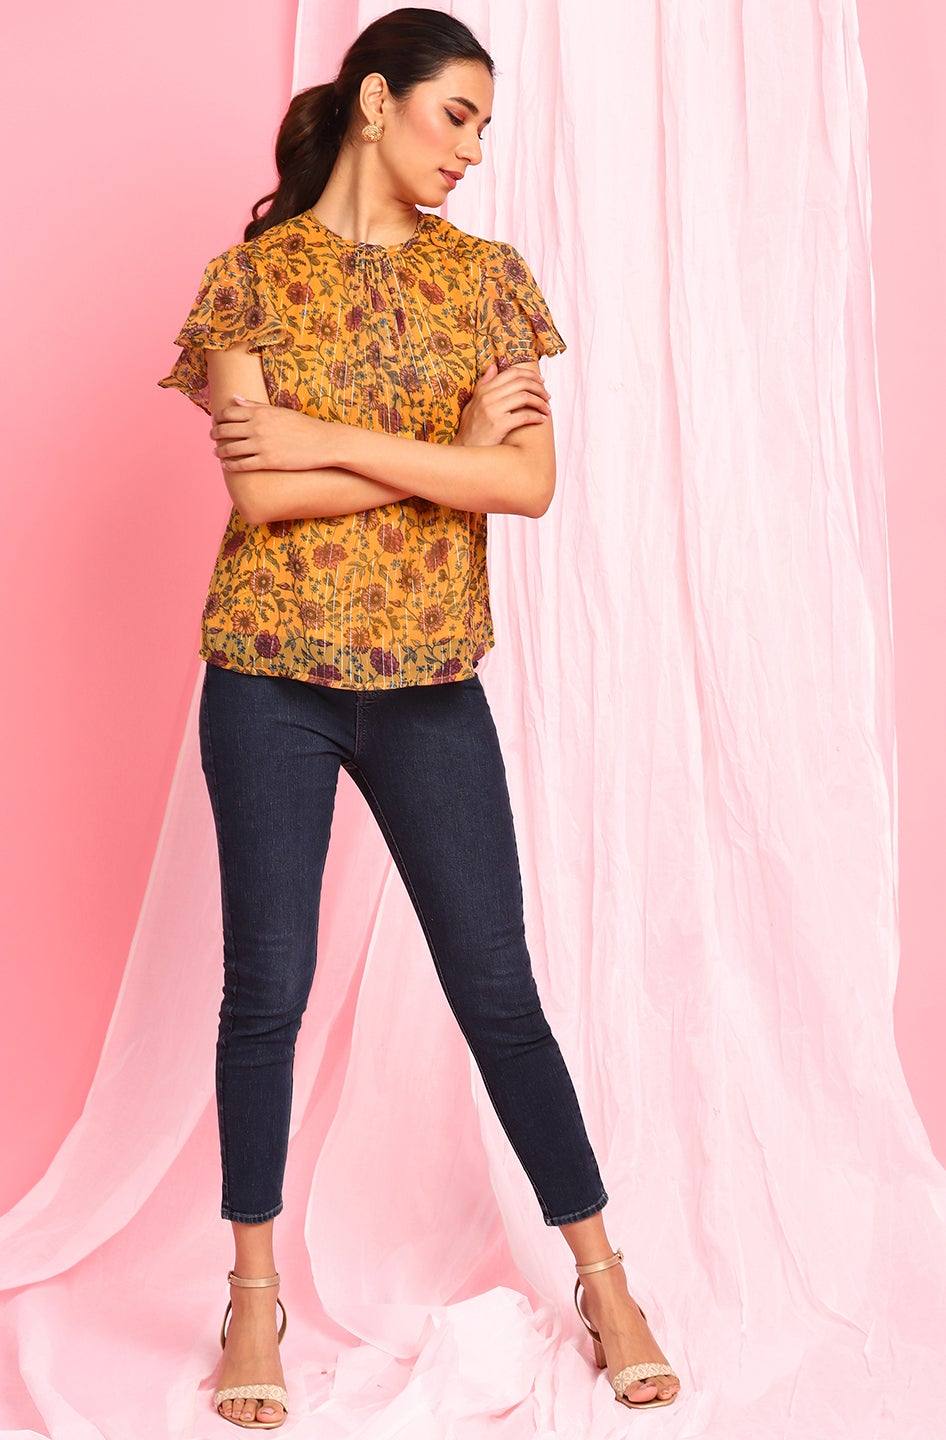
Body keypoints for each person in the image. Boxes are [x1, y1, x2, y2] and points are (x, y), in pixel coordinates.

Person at [157, 7, 679, 1428]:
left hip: (428, 683)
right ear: (376, 100)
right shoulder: (248, 284)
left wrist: (336, 440)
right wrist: (443, 453)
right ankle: (251, 1297)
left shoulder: (486, 283)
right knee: (265, 992)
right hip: (267, 674)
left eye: (486, 128)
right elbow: (259, 496)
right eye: (457, 115)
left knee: (497, 991)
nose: (472, 151)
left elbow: (524, 484)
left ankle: (604, 1278)